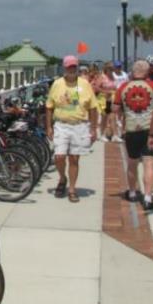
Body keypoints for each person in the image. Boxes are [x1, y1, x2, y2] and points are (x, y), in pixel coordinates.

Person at [45, 55, 96, 203]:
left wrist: (93, 128)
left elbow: (93, 107)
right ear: (64, 68)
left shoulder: (85, 84)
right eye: (69, 67)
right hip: (61, 124)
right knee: (59, 157)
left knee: (74, 159)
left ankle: (72, 189)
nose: (72, 69)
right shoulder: (57, 84)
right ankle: (62, 178)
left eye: (74, 67)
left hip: (79, 125)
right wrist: (48, 126)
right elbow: (49, 106)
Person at [117, 59, 153, 211]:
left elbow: (115, 108)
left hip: (131, 129)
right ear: (147, 72)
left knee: (132, 162)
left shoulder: (123, 87)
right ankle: (148, 197)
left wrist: (122, 120)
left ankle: (131, 192)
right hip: (149, 130)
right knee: (149, 163)